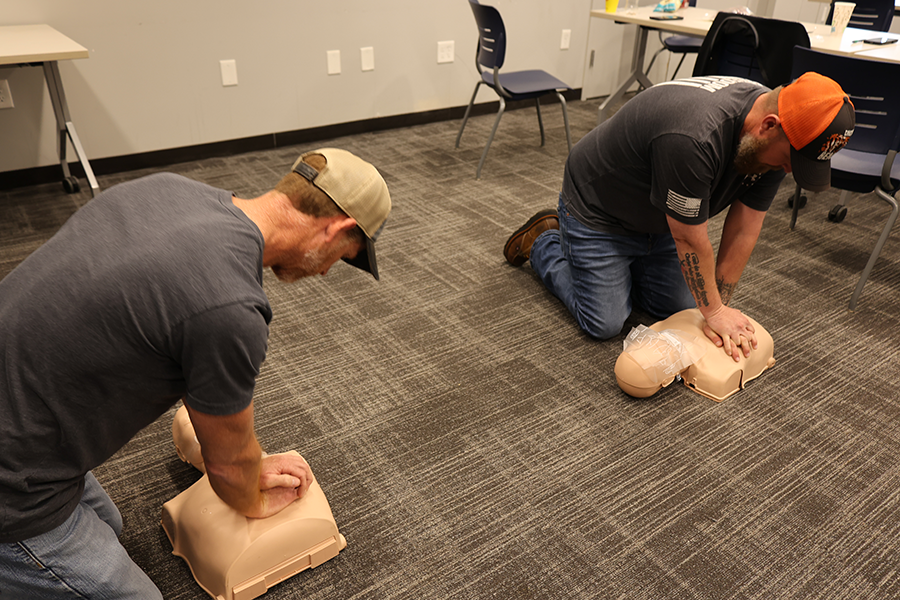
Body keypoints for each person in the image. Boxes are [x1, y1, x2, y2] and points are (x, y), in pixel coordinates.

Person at [0, 148, 391, 598]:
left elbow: (181, 348)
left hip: (21, 401)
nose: (325, 271)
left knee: (110, 525)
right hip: (17, 483)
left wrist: (246, 464)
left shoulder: (168, 189)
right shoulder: (231, 308)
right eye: (343, 256)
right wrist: (252, 495)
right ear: (337, 229)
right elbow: (228, 471)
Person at [504, 73, 854, 361]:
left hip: (662, 218)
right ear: (769, 125)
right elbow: (689, 238)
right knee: (606, 323)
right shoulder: (695, 135)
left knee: (682, 309)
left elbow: (746, 225)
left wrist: (719, 307)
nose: (790, 172)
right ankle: (545, 241)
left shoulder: (778, 140)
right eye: (791, 161)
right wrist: (713, 312)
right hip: (599, 211)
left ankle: (625, 270)